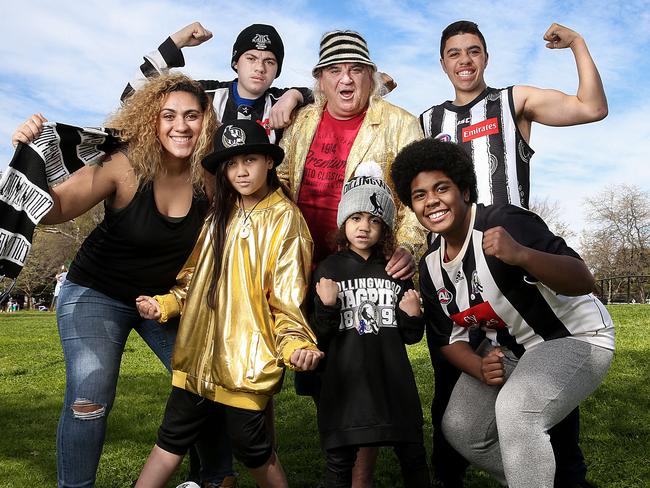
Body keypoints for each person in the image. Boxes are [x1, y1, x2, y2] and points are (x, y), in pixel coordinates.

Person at [10, 73, 233, 488]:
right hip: (97, 291)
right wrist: (28, 157)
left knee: (206, 383)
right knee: (90, 395)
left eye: (191, 115)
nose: (180, 126)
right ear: (152, 121)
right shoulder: (125, 164)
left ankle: (216, 479)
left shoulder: (212, 178)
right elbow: (57, 209)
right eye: (168, 116)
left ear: (207, 120)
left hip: (164, 301)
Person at [418, 21, 608, 487]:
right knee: (456, 393)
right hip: (458, 275)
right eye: (454, 53)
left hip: (513, 258)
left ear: (486, 58)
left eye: (474, 51)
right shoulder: (426, 121)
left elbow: (592, 108)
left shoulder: (512, 101)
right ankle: (459, 476)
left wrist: (578, 45)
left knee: (542, 396)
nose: (464, 60)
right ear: (442, 62)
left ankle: (566, 478)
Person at [390, 138, 614, 488]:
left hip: (574, 337)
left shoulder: (503, 221)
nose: (431, 200)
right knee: (462, 428)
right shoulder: (431, 267)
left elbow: (583, 278)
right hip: (515, 351)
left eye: (441, 188)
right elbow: (449, 340)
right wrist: (479, 366)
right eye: (419, 195)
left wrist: (523, 254)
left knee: (517, 412)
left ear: (465, 191)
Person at [134, 119, 324, 488]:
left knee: (251, 446)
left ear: (269, 162)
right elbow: (193, 279)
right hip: (196, 359)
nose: (240, 171)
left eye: (249, 160)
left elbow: (287, 300)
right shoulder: (221, 212)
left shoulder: (287, 222)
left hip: (246, 365)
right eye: (232, 164)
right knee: (171, 436)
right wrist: (165, 306)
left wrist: (297, 343)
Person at [277, 29, 426, 485]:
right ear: (320, 79)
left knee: (364, 367)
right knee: (326, 371)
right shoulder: (302, 121)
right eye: (335, 70)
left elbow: (417, 191)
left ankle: (358, 477)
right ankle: (342, 449)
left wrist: (409, 247)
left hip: (368, 266)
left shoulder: (399, 122)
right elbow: (281, 178)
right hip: (310, 269)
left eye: (356, 69)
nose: (346, 79)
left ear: (371, 77)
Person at [311, 176, 430, 488]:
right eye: (356, 218)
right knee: (338, 465)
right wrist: (326, 306)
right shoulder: (328, 269)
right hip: (346, 388)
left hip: (393, 383)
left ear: (385, 228)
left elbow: (411, 337)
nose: (363, 227)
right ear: (343, 222)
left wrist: (413, 315)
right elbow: (319, 337)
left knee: (414, 459)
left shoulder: (393, 269)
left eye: (374, 220)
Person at [122, 22, 312, 143]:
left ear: (277, 70)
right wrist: (175, 42)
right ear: (236, 63)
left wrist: (294, 95)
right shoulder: (205, 94)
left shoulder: (282, 100)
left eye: (269, 61)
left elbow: (332, 96)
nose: (260, 68)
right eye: (251, 58)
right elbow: (132, 99)